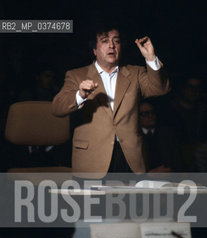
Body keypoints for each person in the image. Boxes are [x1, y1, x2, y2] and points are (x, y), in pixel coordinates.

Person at [52, 24, 169, 177]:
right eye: (105, 41)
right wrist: (80, 95)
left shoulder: (135, 73)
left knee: (131, 201)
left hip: (130, 158)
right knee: (92, 202)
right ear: (94, 49)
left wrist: (151, 58)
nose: (112, 46)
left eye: (116, 41)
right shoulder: (76, 75)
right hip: (92, 159)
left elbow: (160, 89)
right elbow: (57, 108)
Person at [139, 99, 182, 172]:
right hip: (141, 180)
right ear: (136, 117)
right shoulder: (133, 137)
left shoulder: (167, 134)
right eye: (145, 114)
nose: (150, 116)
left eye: (152, 112)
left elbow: (177, 162)